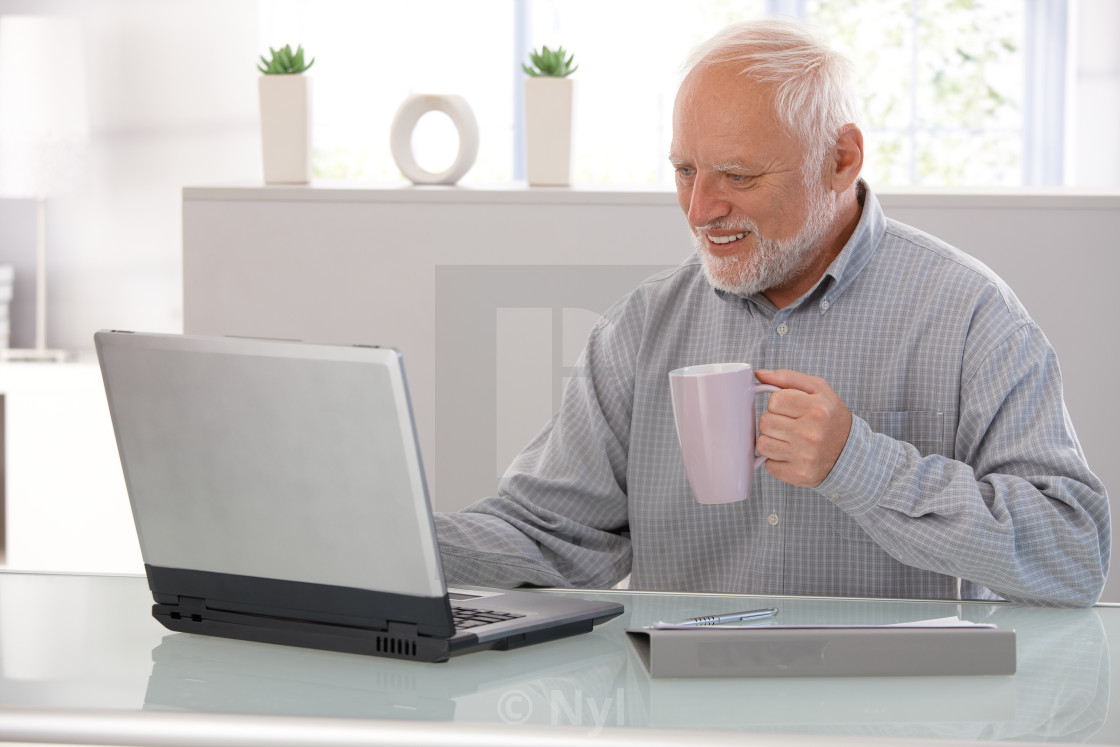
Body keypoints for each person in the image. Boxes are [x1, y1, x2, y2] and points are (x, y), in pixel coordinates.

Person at [434, 18, 1110, 607]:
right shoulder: (640, 330)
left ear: (841, 159)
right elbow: (549, 534)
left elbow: (1073, 556)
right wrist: (374, 537)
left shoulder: (969, 316)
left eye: (738, 175)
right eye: (684, 171)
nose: (700, 210)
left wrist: (858, 462)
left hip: (903, 714)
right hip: (688, 712)